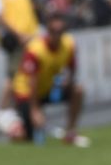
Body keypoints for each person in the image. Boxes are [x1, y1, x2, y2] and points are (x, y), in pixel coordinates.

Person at [8, 12, 89, 147]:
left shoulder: (69, 44)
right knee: (27, 136)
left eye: (60, 31)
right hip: (26, 93)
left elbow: (72, 69)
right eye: (54, 31)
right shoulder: (36, 49)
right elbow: (32, 82)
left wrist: (67, 82)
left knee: (78, 90)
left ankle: (71, 131)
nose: (57, 35)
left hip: (48, 89)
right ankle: (17, 126)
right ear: (48, 31)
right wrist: (35, 110)